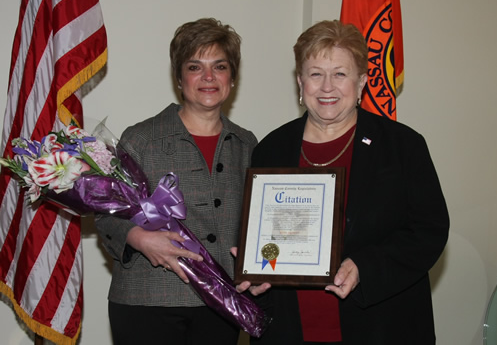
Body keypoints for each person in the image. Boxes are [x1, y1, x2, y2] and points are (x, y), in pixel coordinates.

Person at [243, 20, 449, 344]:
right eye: (315, 74)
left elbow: (429, 231)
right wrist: (256, 269)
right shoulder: (271, 148)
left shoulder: (401, 146)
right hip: (289, 329)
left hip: (380, 327)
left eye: (340, 73)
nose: (327, 87)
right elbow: (267, 240)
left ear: (362, 81)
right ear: (300, 81)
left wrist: (365, 266)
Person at [95, 18, 258, 345]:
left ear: (232, 78)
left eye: (220, 66)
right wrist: (139, 238)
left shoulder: (248, 144)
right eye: (195, 66)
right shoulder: (141, 139)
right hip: (148, 302)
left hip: (221, 304)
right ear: (180, 78)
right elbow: (103, 215)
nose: (209, 77)